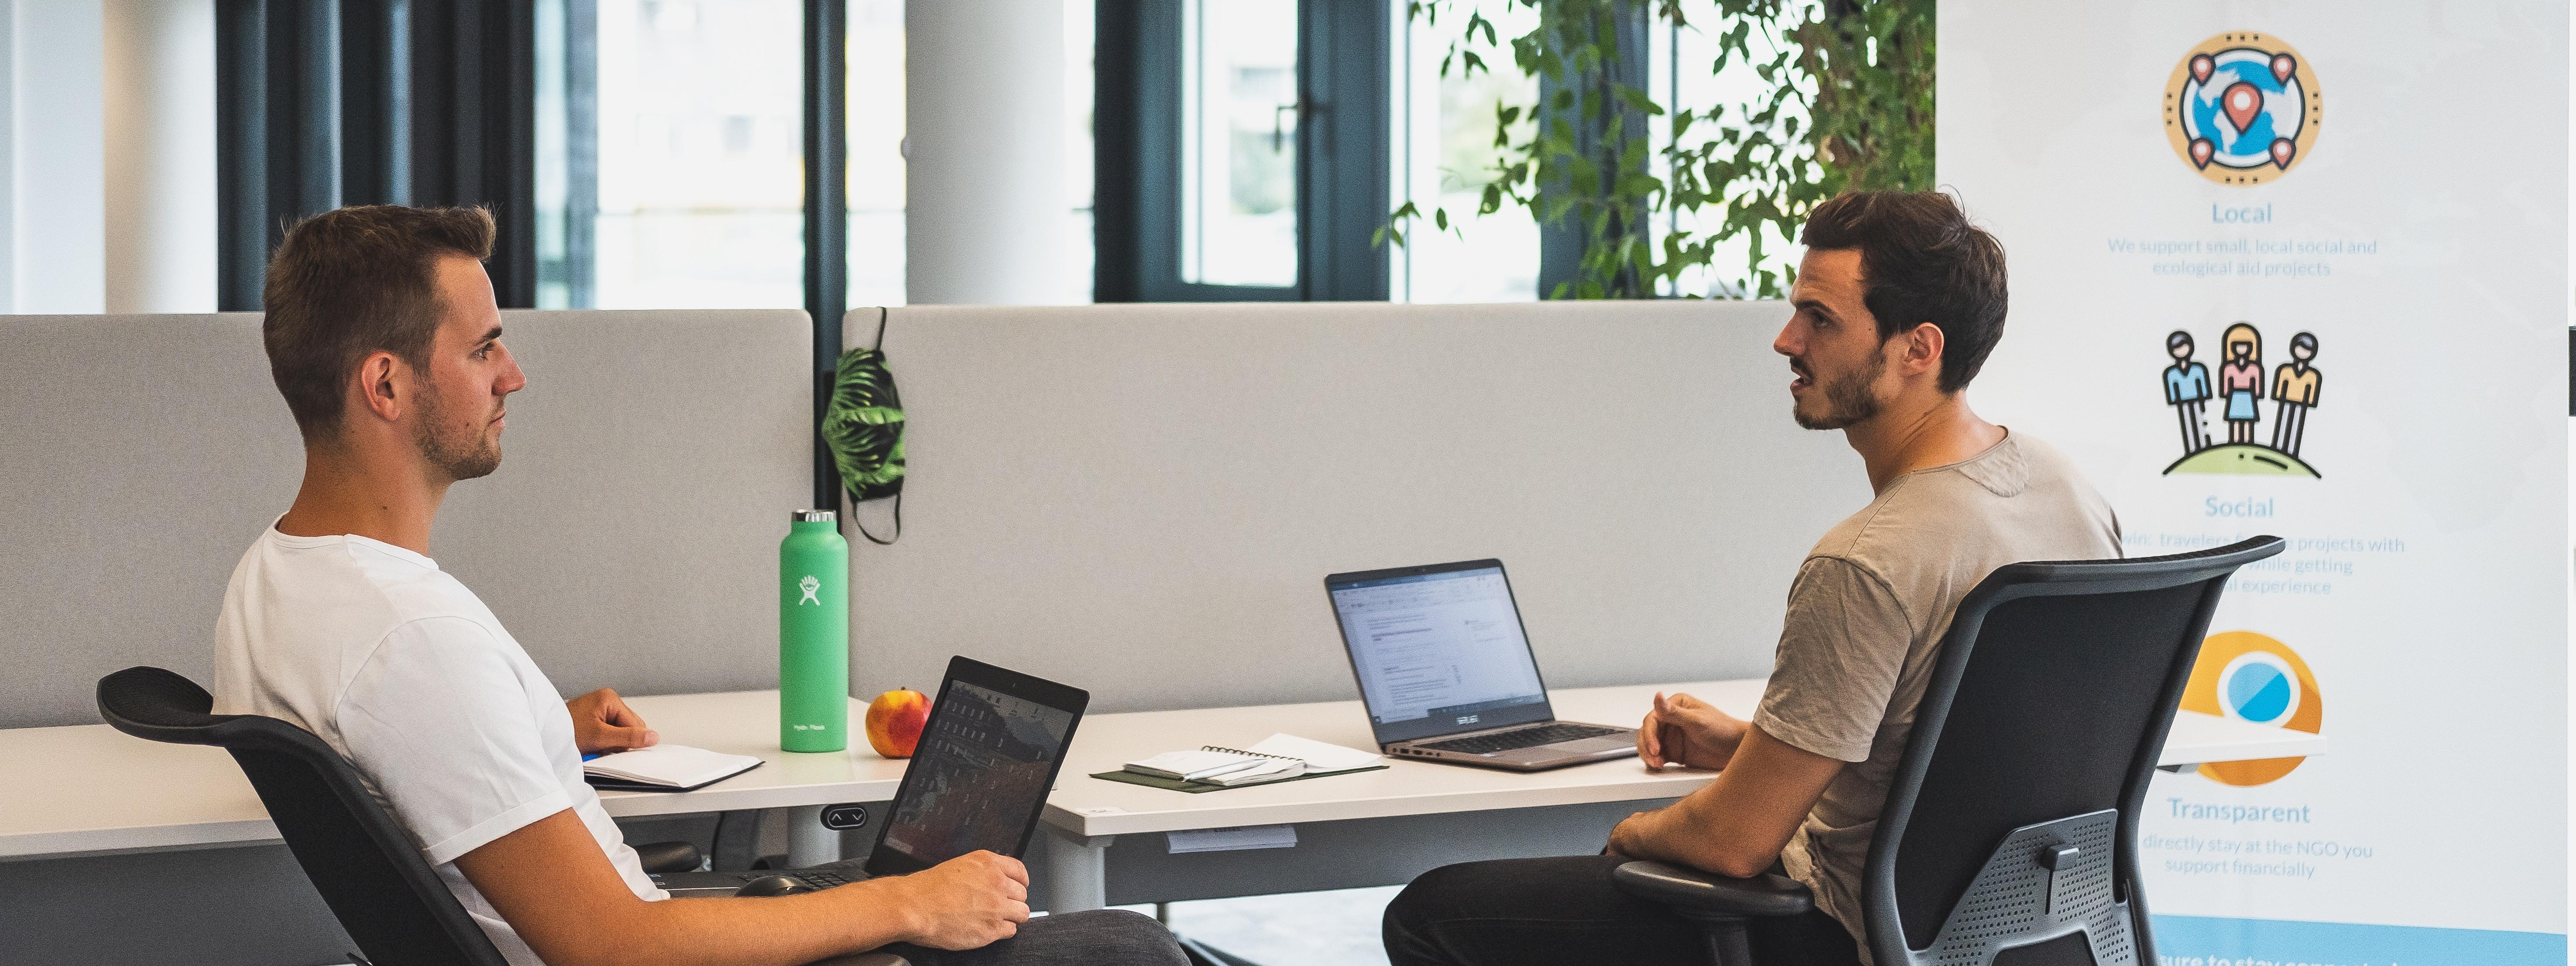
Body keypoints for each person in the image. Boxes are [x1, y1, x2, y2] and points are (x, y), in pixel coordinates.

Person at [211, 205, 1185, 966]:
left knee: (934, 877)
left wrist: (532, 720)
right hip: (646, 946)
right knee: (1127, 945)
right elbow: (613, 946)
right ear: (384, 385)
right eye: (481, 348)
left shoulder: (278, 577)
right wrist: (903, 906)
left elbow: (398, 744)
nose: (513, 375)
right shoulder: (410, 639)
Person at [1380, 191, 2120, 966]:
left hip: (1841, 931)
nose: (1785, 339)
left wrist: (1633, 832)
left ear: (1918, 349)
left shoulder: (1867, 562)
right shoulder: (2067, 490)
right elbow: (1967, 750)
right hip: (2030, 930)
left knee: (1429, 911)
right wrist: (1752, 747)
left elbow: (1732, 842)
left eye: (1820, 319)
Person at [2270, 331, 2321, 458]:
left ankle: (2292, 453)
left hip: (2300, 405)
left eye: (2307, 350)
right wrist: (2279, 397)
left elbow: (2312, 394)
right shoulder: (2285, 370)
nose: (2303, 352)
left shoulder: (2312, 375)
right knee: (2282, 425)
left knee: (2295, 428)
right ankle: (2278, 449)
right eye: (2301, 348)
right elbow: (2279, 388)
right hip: (2286, 402)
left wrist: (2307, 403)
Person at [2162, 330, 2212, 455]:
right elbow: (2172, 391)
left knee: (2200, 423)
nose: (2181, 351)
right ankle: (2191, 450)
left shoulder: (2198, 368)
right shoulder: (2171, 373)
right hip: (2183, 403)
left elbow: (2203, 385)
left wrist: (2203, 399)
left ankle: (2203, 447)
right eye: (2177, 349)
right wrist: (2175, 400)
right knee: (2188, 426)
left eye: (2184, 347)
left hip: (2196, 401)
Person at [2217, 322, 2264, 446]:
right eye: (2239, 347)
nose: (2242, 350)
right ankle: (2235, 443)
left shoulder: (2255, 368)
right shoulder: (2229, 367)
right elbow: (2226, 387)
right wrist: (2227, 395)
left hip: (2248, 397)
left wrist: (2256, 395)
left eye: (2245, 347)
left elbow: (2257, 386)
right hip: (2235, 397)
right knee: (2235, 422)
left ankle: (2248, 444)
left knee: (2248, 422)